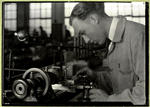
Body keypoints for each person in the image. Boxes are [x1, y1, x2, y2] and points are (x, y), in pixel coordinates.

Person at [69, 3, 145, 104]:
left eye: (83, 33)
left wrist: (109, 100)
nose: (86, 41)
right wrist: (97, 77)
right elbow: (124, 78)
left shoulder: (138, 35)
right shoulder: (113, 40)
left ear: (94, 19)